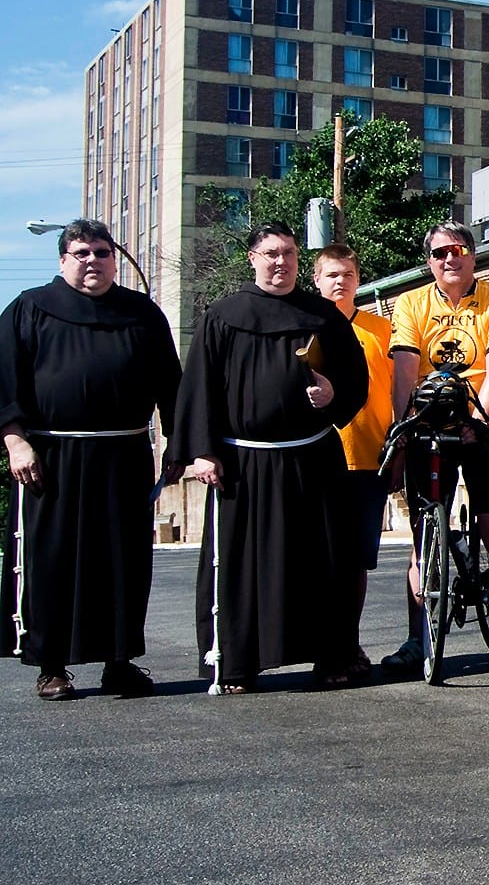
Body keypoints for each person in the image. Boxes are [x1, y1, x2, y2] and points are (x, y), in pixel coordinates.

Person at [170, 222, 368, 693]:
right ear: (253, 258)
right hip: (243, 464)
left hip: (312, 458)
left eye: (290, 255)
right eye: (272, 254)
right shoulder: (223, 315)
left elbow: (355, 381)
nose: (281, 263)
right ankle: (236, 663)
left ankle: (331, 657)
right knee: (239, 568)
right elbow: (198, 389)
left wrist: (334, 395)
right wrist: (202, 452)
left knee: (324, 563)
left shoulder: (323, 315)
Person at [0, 220, 181, 701]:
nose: (92, 261)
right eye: (81, 252)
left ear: (113, 258)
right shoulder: (30, 308)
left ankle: (118, 663)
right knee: (53, 561)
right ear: (63, 259)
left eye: (102, 252)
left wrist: (177, 445)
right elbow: (5, 381)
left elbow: (171, 385)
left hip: (124, 456)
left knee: (122, 563)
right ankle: (52, 666)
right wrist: (16, 441)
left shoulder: (140, 312)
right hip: (50, 458)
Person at [383, 222, 489, 671]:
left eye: (459, 250)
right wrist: (402, 425)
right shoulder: (412, 302)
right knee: (420, 540)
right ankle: (417, 637)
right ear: (430, 261)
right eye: (439, 254)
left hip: (488, 425)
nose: (450, 259)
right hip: (427, 424)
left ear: (473, 255)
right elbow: (405, 372)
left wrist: (479, 422)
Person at [312, 244, 396, 685]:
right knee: (317, 560)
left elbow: (396, 389)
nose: (340, 281)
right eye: (331, 275)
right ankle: (320, 647)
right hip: (315, 458)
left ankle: (350, 642)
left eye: (347, 274)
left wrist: (397, 447)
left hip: (367, 458)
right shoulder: (304, 326)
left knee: (356, 561)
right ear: (317, 280)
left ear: (358, 280)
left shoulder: (381, 329)